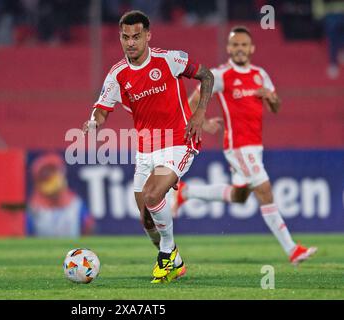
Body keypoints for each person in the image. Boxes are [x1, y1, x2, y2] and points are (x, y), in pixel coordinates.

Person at [82, 10, 214, 283]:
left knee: (153, 195)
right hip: (146, 149)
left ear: (148, 36)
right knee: (147, 219)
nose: (131, 42)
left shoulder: (169, 59)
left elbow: (207, 76)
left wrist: (199, 114)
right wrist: (94, 122)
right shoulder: (118, 74)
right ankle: (175, 260)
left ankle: (166, 255)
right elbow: (102, 109)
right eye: (125, 37)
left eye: (136, 36)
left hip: (179, 140)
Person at [173, 26, 317, 266]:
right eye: (235, 45)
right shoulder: (221, 75)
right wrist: (203, 121)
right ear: (229, 49)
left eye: (243, 45)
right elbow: (192, 101)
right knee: (265, 190)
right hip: (238, 146)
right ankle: (293, 250)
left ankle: (186, 192)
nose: (239, 49)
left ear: (252, 48)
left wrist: (272, 98)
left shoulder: (261, 74)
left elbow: (276, 107)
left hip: (255, 146)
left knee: (240, 196)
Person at [26, 153, 95, 238]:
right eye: (45, 174)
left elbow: (89, 227)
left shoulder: (75, 204)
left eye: (52, 171)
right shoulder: (33, 209)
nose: (49, 176)